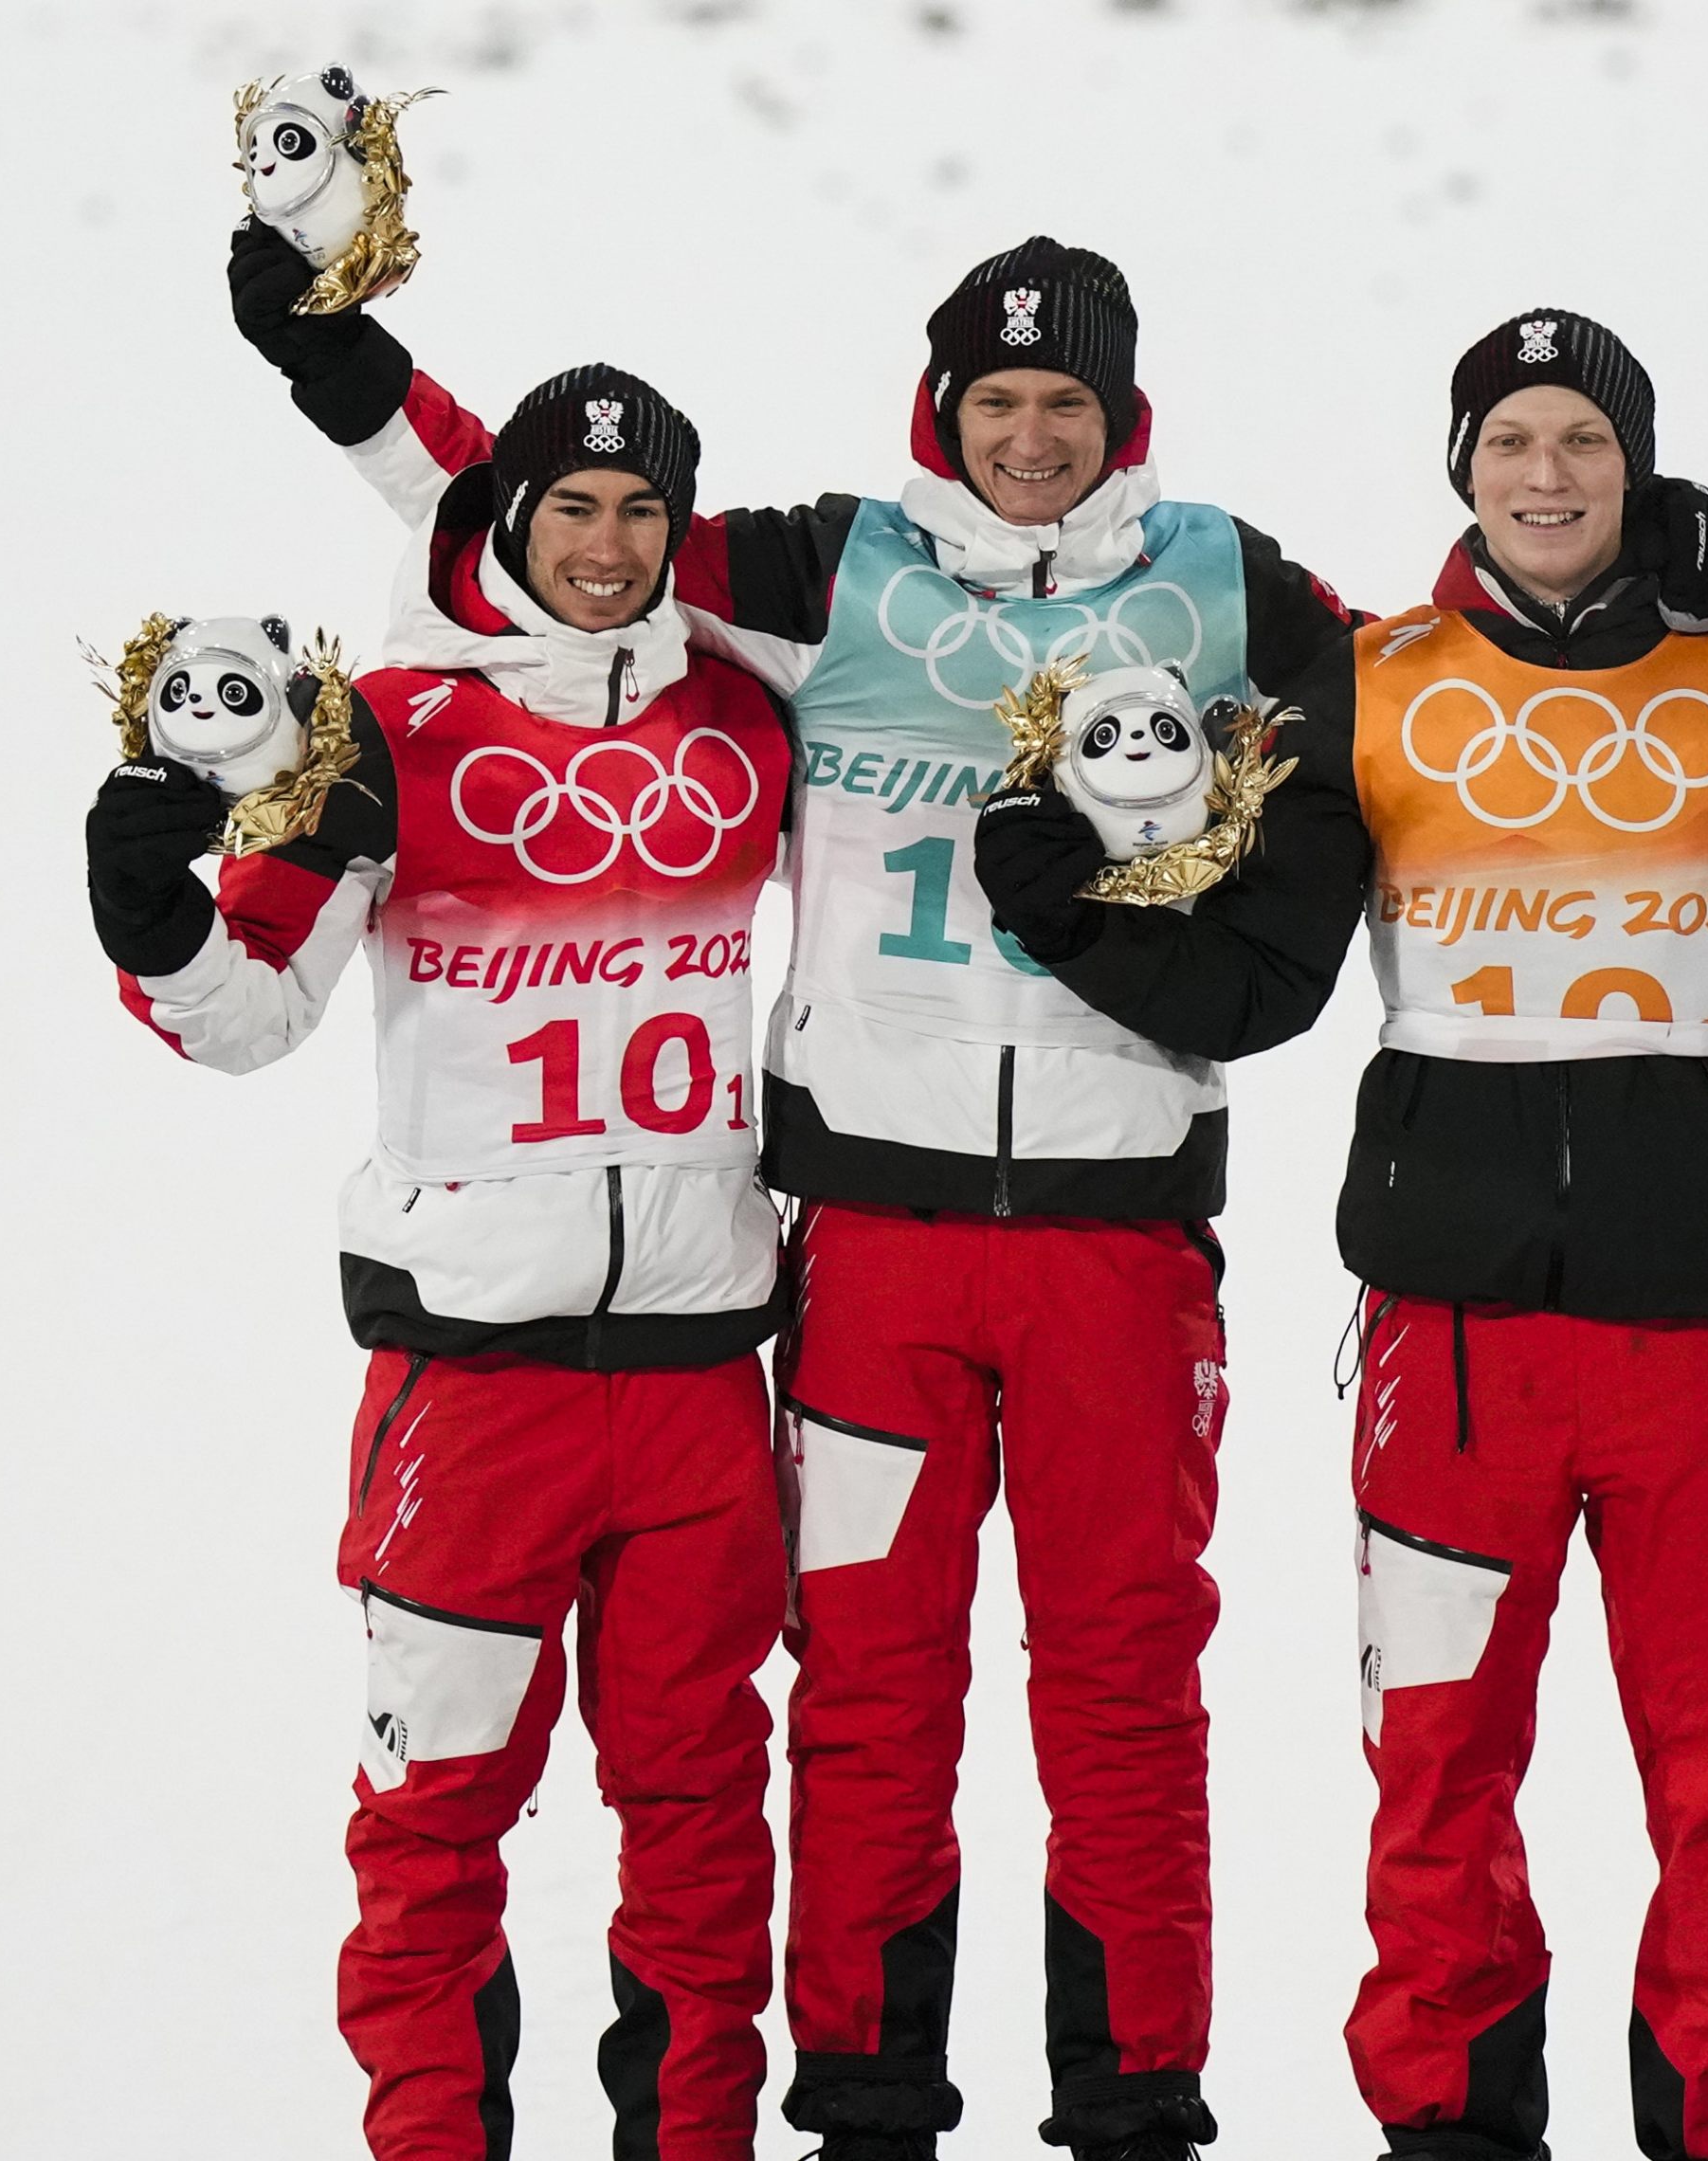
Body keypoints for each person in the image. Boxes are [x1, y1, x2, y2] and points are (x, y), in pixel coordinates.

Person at [227, 222, 1366, 2161]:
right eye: (995, 400)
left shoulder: (1236, 590)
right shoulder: (826, 575)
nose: (1028, 437)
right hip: (871, 1255)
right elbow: (534, 517)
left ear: (1123, 414)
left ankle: (1132, 2104)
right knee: (867, 1689)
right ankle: (862, 2103)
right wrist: (339, 360)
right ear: (942, 405)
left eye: (1064, 403)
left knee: (1119, 1689)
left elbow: (1421, 726)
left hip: (1116, 1249)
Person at [974, 309, 1708, 2161]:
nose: (1544, 476)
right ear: (1459, 467)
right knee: (1439, 1773)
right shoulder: (1373, 683)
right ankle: (1454, 2130)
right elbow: (1262, 981)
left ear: (1634, 469)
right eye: (1510, 441)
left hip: (1691, 1330)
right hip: (1446, 1340)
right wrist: (1061, 907)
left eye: (1582, 443)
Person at [86, 368, 794, 2160]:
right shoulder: (392, 731)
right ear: (512, 521)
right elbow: (247, 1019)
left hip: (707, 1375)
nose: (611, 547)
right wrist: (154, 919)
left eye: (644, 513)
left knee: (704, 1813)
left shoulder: (751, 710)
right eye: (573, 508)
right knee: (434, 1820)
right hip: (477, 1386)